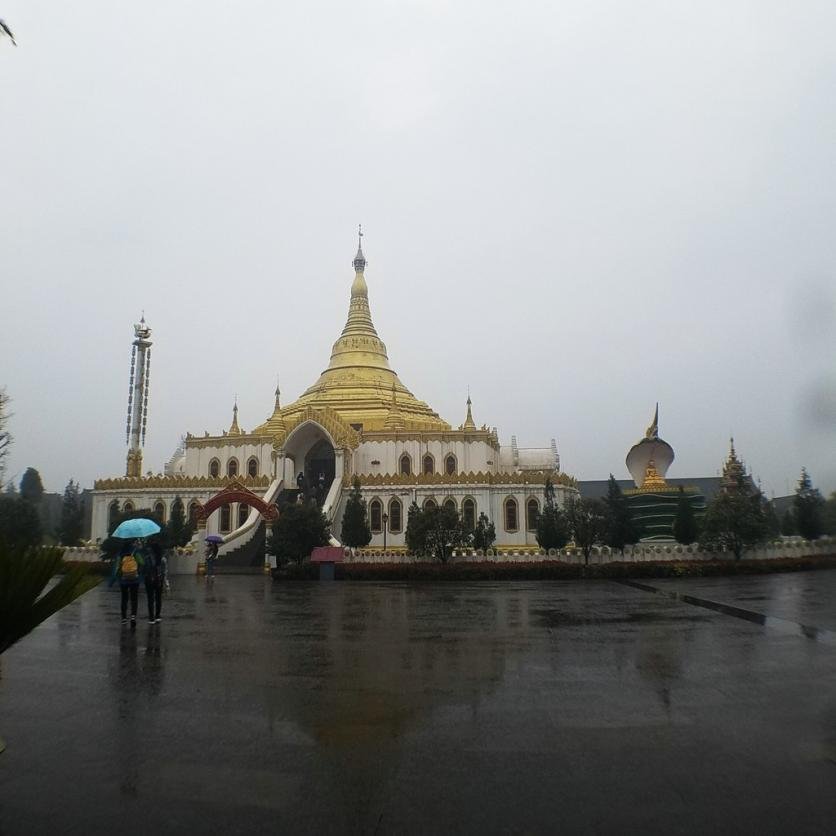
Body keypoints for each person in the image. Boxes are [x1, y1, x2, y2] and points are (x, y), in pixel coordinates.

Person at [110, 541, 144, 626]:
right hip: (134, 579)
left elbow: (117, 568)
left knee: (124, 599)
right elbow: (142, 563)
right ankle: (133, 616)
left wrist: (112, 581)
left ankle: (124, 618)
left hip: (123, 580)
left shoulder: (120, 553)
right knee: (134, 599)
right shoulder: (135, 552)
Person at [144, 541, 167, 623]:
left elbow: (144, 569)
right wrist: (166, 583)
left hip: (149, 580)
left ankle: (151, 618)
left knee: (150, 599)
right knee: (158, 598)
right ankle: (157, 616)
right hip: (159, 580)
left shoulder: (147, 558)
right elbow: (164, 572)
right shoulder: (162, 558)